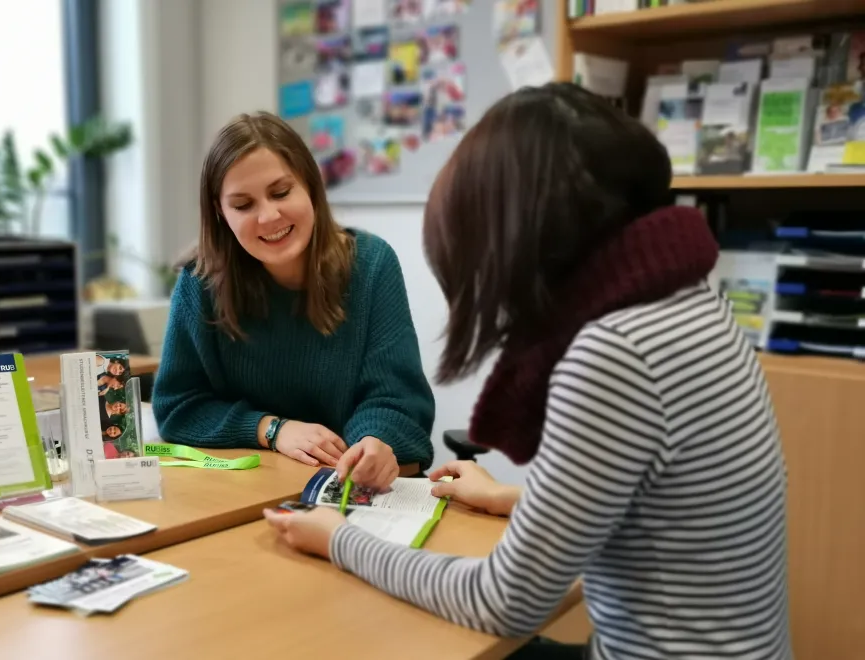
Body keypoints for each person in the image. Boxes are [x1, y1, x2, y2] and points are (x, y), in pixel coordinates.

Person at [264, 84, 792, 659]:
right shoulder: (685, 303)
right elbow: (659, 507)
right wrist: (516, 498)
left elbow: (504, 601)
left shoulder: (613, 352)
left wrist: (342, 539)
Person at [152, 111, 434, 489]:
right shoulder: (199, 283)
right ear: (221, 213)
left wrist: (374, 441)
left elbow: (396, 398)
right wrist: (271, 429)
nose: (269, 216)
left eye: (281, 192)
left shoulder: (371, 265)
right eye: (243, 205)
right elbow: (178, 406)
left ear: (310, 186)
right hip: (246, 490)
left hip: (345, 489)